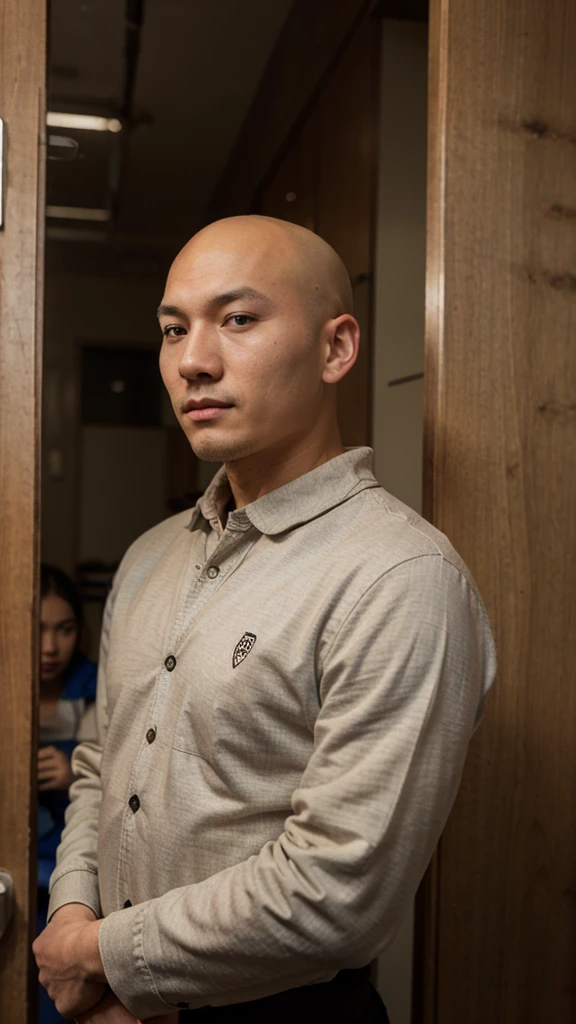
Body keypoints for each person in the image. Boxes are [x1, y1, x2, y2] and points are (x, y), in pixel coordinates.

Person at [33, 215, 497, 1024]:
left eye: (237, 319)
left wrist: (102, 955)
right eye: (173, 329)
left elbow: (335, 891)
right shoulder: (148, 556)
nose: (191, 361)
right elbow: (102, 765)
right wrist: (73, 912)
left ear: (335, 349)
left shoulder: (401, 577)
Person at [37, 564, 98, 1024]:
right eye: (38, 629)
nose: (50, 647)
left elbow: (110, 764)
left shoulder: (92, 684)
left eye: (65, 629)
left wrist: (73, 766)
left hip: (67, 874)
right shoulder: (10, 680)